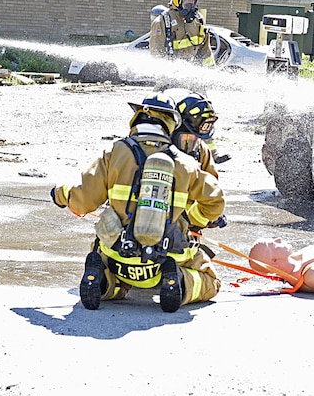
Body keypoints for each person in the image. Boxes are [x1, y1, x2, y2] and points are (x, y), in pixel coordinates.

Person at [50, 93, 226, 313]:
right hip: (166, 260)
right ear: (171, 123)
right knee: (211, 281)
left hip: (118, 258)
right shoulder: (186, 163)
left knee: (118, 283)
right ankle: (179, 282)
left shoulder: (113, 152)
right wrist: (193, 222)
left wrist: (59, 194)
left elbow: (83, 201)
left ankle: (103, 282)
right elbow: (216, 201)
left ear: (137, 117)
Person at [149, 0, 215, 66]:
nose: (191, 3)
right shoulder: (162, 22)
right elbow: (156, 56)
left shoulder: (198, 21)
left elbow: (206, 54)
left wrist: (211, 72)